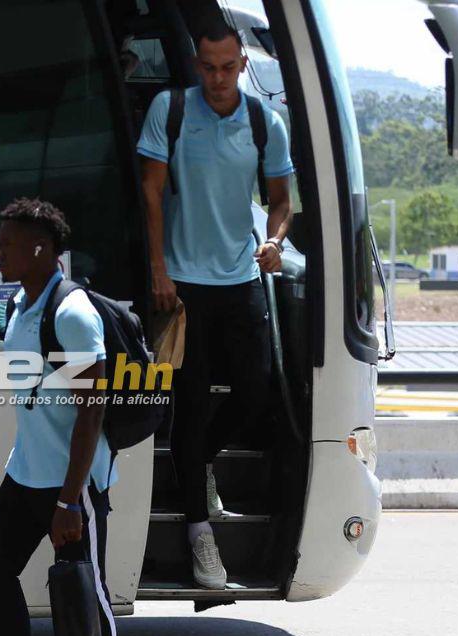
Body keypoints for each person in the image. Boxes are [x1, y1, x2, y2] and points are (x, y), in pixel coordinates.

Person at [136, 17, 295, 588]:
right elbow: (151, 192)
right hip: (181, 282)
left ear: (243, 65)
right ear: (196, 63)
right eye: (208, 67)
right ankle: (200, 536)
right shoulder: (170, 111)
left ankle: (198, 462)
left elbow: (281, 201)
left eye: (228, 68)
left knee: (254, 392)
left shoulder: (263, 121)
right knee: (193, 401)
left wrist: (274, 240)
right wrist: (158, 269)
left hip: (240, 277)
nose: (218, 78)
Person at [0, 198, 120, 636]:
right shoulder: (19, 303)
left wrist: (68, 499)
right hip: (26, 471)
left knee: (88, 598)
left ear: (39, 248)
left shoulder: (73, 313)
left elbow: (92, 410)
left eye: (6, 243)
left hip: (69, 484)